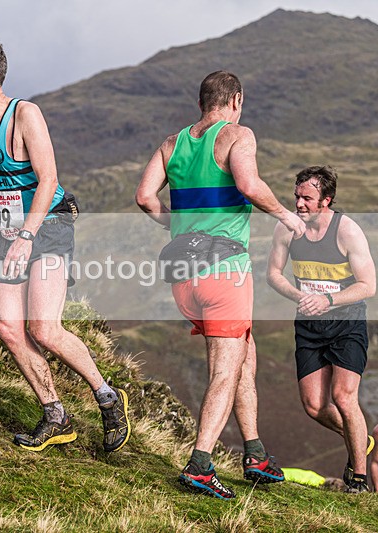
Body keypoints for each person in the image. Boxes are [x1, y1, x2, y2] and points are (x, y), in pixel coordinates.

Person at [0, 39, 130, 453]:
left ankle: (107, 397)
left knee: (44, 328)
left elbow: (47, 178)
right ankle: (56, 416)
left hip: (48, 223)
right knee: (8, 328)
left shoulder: (25, 115)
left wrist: (28, 236)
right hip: (9, 229)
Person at [136, 70, 305, 499]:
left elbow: (144, 197)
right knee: (225, 371)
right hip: (224, 270)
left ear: (200, 103)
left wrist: (180, 227)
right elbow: (248, 184)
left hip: (183, 277)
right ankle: (200, 464)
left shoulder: (171, 144)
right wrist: (286, 215)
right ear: (236, 99)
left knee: (244, 356)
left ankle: (255, 454)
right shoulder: (236, 135)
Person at [267, 165, 377, 493]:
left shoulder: (348, 231)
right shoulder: (287, 228)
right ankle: (361, 441)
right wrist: (300, 296)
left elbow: (368, 285)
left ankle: (358, 479)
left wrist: (328, 300)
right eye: (297, 196)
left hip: (347, 322)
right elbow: (274, 273)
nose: (298, 204)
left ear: (325, 201)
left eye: (307, 199)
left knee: (343, 397)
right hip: (309, 325)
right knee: (314, 406)